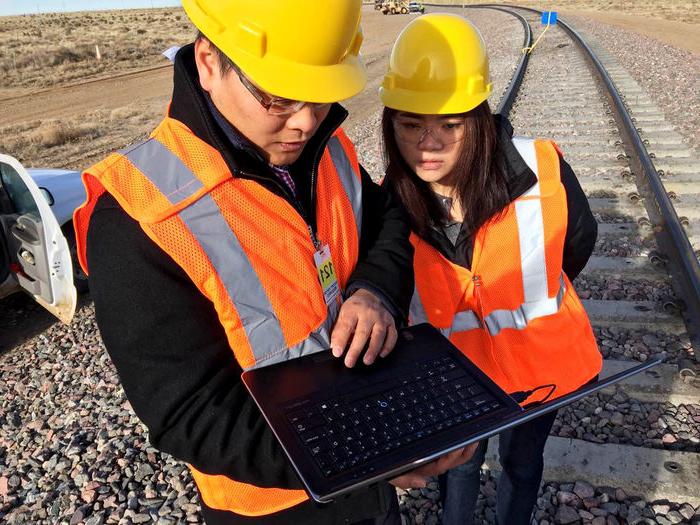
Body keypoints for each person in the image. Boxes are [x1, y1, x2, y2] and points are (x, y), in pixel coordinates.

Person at [73, 1, 474, 523]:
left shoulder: (326, 146)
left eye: (320, 95)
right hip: (273, 504)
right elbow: (189, 415)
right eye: (279, 97)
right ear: (210, 62)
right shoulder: (141, 214)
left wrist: (373, 290)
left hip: (368, 469)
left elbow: (386, 222)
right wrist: (361, 455)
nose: (305, 121)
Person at [379, 13, 603, 525]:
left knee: (523, 466)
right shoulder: (391, 198)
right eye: (411, 125)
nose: (428, 144)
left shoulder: (541, 167)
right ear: (390, 125)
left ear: (478, 117)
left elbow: (578, 243)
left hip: (541, 368)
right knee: (459, 468)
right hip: (457, 376)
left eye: (450, 125)